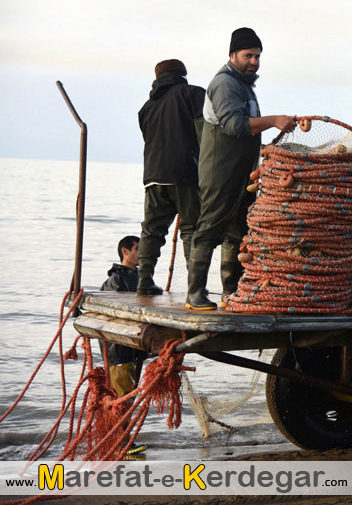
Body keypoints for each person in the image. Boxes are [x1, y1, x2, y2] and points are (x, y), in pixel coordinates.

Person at [186, 28, 298, 310]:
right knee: (210, 229)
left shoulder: (245, 85)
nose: (254, 62)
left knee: (237, 232)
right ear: (233, 54)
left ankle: (230, 292)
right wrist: (273, 120)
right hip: (220, 171)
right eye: (249, 55)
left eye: (258, 56)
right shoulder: (225, 83)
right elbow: (234, 126)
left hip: (243, 173)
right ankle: (194, 294)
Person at [136, 59, 205, 295]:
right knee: (191, 229)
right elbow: (206, 133)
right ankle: (195, 289)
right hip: (184, 172)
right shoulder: (193, 94)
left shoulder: (146, 107)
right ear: (183, 74)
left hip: (153, 177)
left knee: (152, 231)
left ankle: (143, 282)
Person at [100, 236, 148, 399]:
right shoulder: (115, 280)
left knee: (129, 397)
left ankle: (124, 424)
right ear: (124, 251)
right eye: (137, 249)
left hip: (135, 347)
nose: (142, 254)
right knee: (121, 399)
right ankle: (120, 425)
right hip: (119, 350)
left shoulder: (140, 277)